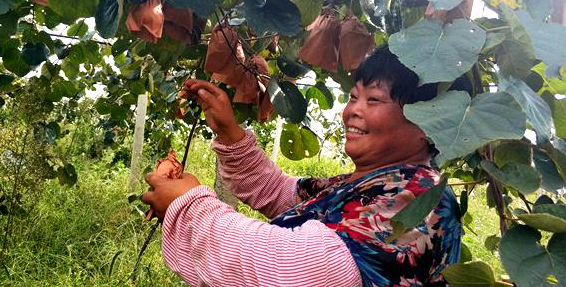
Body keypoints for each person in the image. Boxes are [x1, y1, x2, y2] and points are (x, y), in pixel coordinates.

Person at [141, 46, 462, 286]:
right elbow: (281, 192)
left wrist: (189, 206)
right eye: (353, 97)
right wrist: (230, 133)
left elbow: (294, 270)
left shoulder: (420, 196)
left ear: (427, 120)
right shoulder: (372, 184)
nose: (351, 112)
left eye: (373, 100)